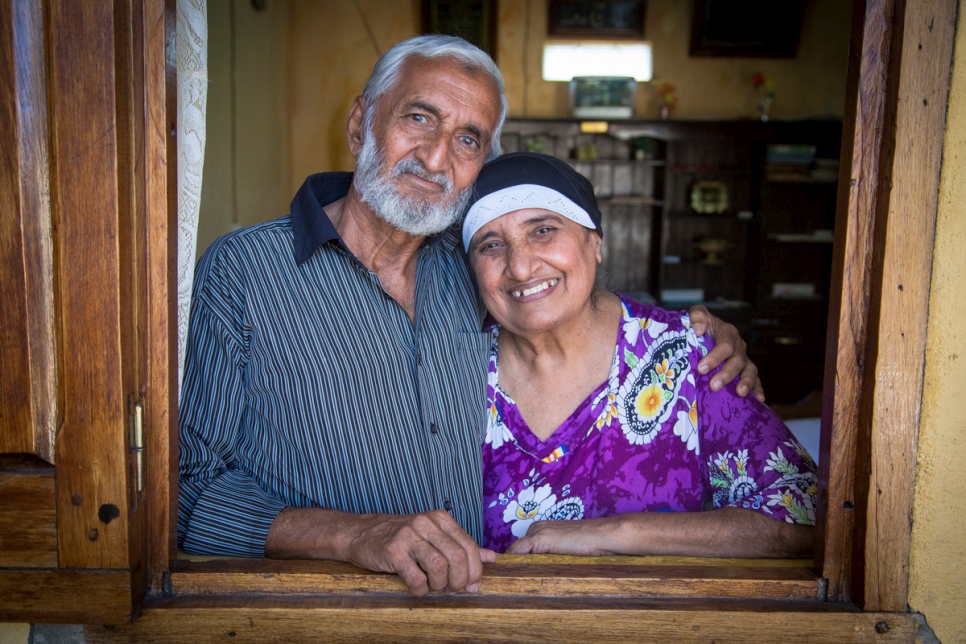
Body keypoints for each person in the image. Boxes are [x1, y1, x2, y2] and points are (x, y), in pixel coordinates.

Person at [177, 35, 762, 597]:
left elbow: (561, 286)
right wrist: (356, 534)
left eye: (468, 139)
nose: (436, 158)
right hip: (311, 614)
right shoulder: (244, 273)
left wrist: (695, 332)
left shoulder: (473, 268)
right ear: (360, 125)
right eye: (419, 118)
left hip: (468, 611)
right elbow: (190, 492)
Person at [462, 152, 817, 556]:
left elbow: (805, 514)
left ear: (593, 242)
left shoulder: (686, 356)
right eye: (490, 245)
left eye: (543, 230)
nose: (521, 268)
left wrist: (616, 533)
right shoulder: (456, 369)